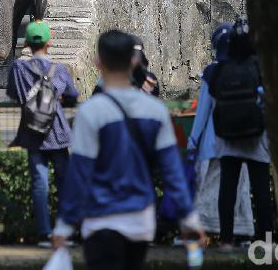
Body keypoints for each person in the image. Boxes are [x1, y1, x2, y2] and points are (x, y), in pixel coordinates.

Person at [53, 30, 205, 269]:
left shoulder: (91, 112)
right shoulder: (155, 111)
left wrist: (64, 226)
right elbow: (172, 171)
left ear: (98, 63)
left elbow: (79, 173)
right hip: (141, 223)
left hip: (100, 219)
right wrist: (189, 219)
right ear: (134, 61)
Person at [7, 20, 80, 247]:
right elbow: (73, 96)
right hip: (56, 131)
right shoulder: (59, 70)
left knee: (40, 184)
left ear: (27, 43)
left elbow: (13, 94)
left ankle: (44, 234)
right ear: (50, 41)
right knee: (65, 183)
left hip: (32, 131)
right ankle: (65, 232)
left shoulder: (18, 68)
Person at [205, 20, 273, 248]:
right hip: (257, 139)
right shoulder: (260, 67)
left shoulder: (219, 69)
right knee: (261, 189)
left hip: (228, 138)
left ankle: (226, 239)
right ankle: (266, 239)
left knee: (228, 189)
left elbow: (213, 98)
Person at [186, 23, 255, 241]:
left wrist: (192, 139)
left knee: (207, 188)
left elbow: (203, 112)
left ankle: (201, 231)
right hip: (243, 140)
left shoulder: (212, 72)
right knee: (239, 188)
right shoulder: (250, 68)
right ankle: (243, 232)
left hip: (213, 142)